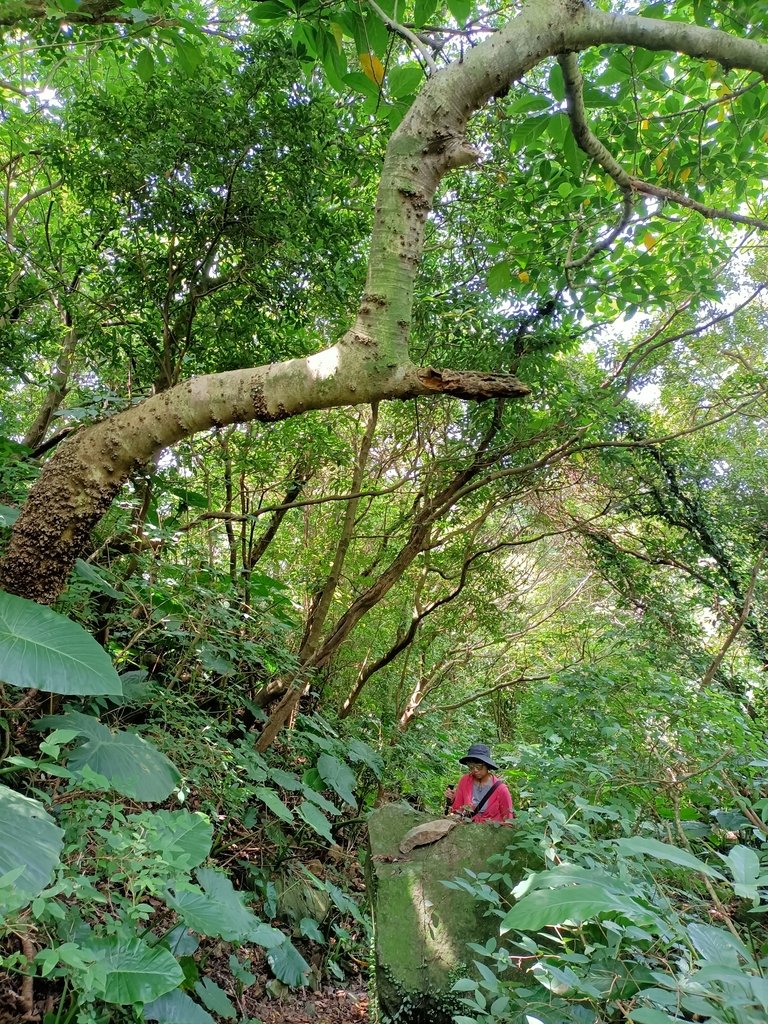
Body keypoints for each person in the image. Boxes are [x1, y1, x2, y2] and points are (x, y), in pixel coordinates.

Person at [444, 743, 514, 824]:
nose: (475, 770)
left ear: (487, 765)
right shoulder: (465, 781)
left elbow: (509, 820)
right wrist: (452, 799)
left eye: (479, 766)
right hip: (468, 829)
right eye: (471, 767)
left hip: (491, 833)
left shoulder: (501, 789)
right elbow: (457, 809)